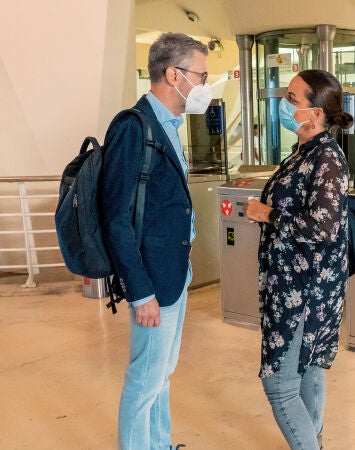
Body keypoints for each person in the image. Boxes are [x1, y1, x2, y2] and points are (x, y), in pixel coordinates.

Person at [100, 32, 210, 450]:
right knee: (144, 379)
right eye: (201, 76)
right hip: (151, 279)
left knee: (162, 374)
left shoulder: (170, 126)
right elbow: (116, 218)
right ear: (173, 75)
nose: (204, 85)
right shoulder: (134, 127)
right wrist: (140, 290)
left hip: (175, 271)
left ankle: (160, 444)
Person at [244, 69, 352, 450]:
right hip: (291, 281)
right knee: (308, 369)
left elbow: (323, 228)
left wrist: (267, 214)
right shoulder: (303, 153)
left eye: (292, 99)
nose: (284, 105)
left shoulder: (328, 159)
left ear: (316, 113)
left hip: (305, 289)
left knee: (280, 385)